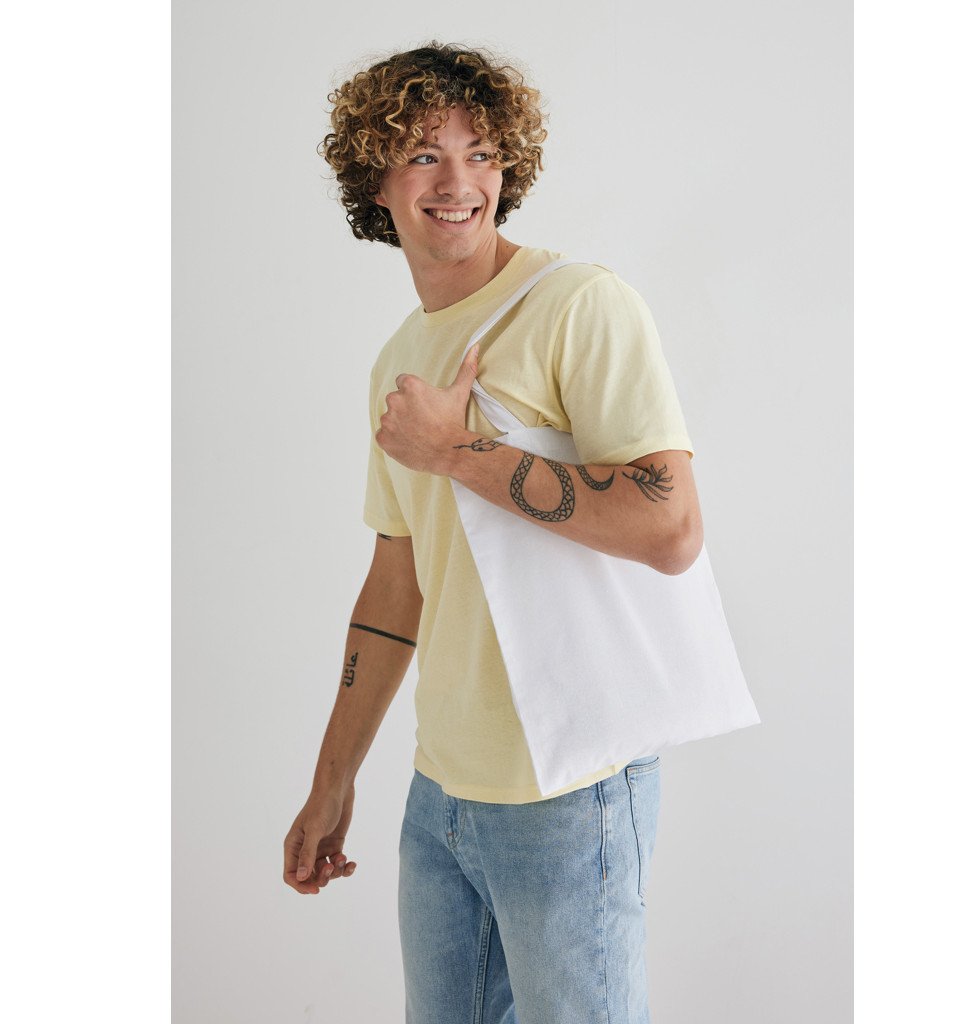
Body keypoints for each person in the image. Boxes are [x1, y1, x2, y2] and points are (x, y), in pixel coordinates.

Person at [284, 41, 703, 1023]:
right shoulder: (400, 358)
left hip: (569, 786)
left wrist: (459, 450)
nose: (458, 182)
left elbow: (671, 524)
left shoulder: (577, 305)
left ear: (509, 167)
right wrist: (332, 781)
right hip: (441, 791)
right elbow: (397, 584)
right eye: (424, 154)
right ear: (375, 179)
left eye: (480, 154)